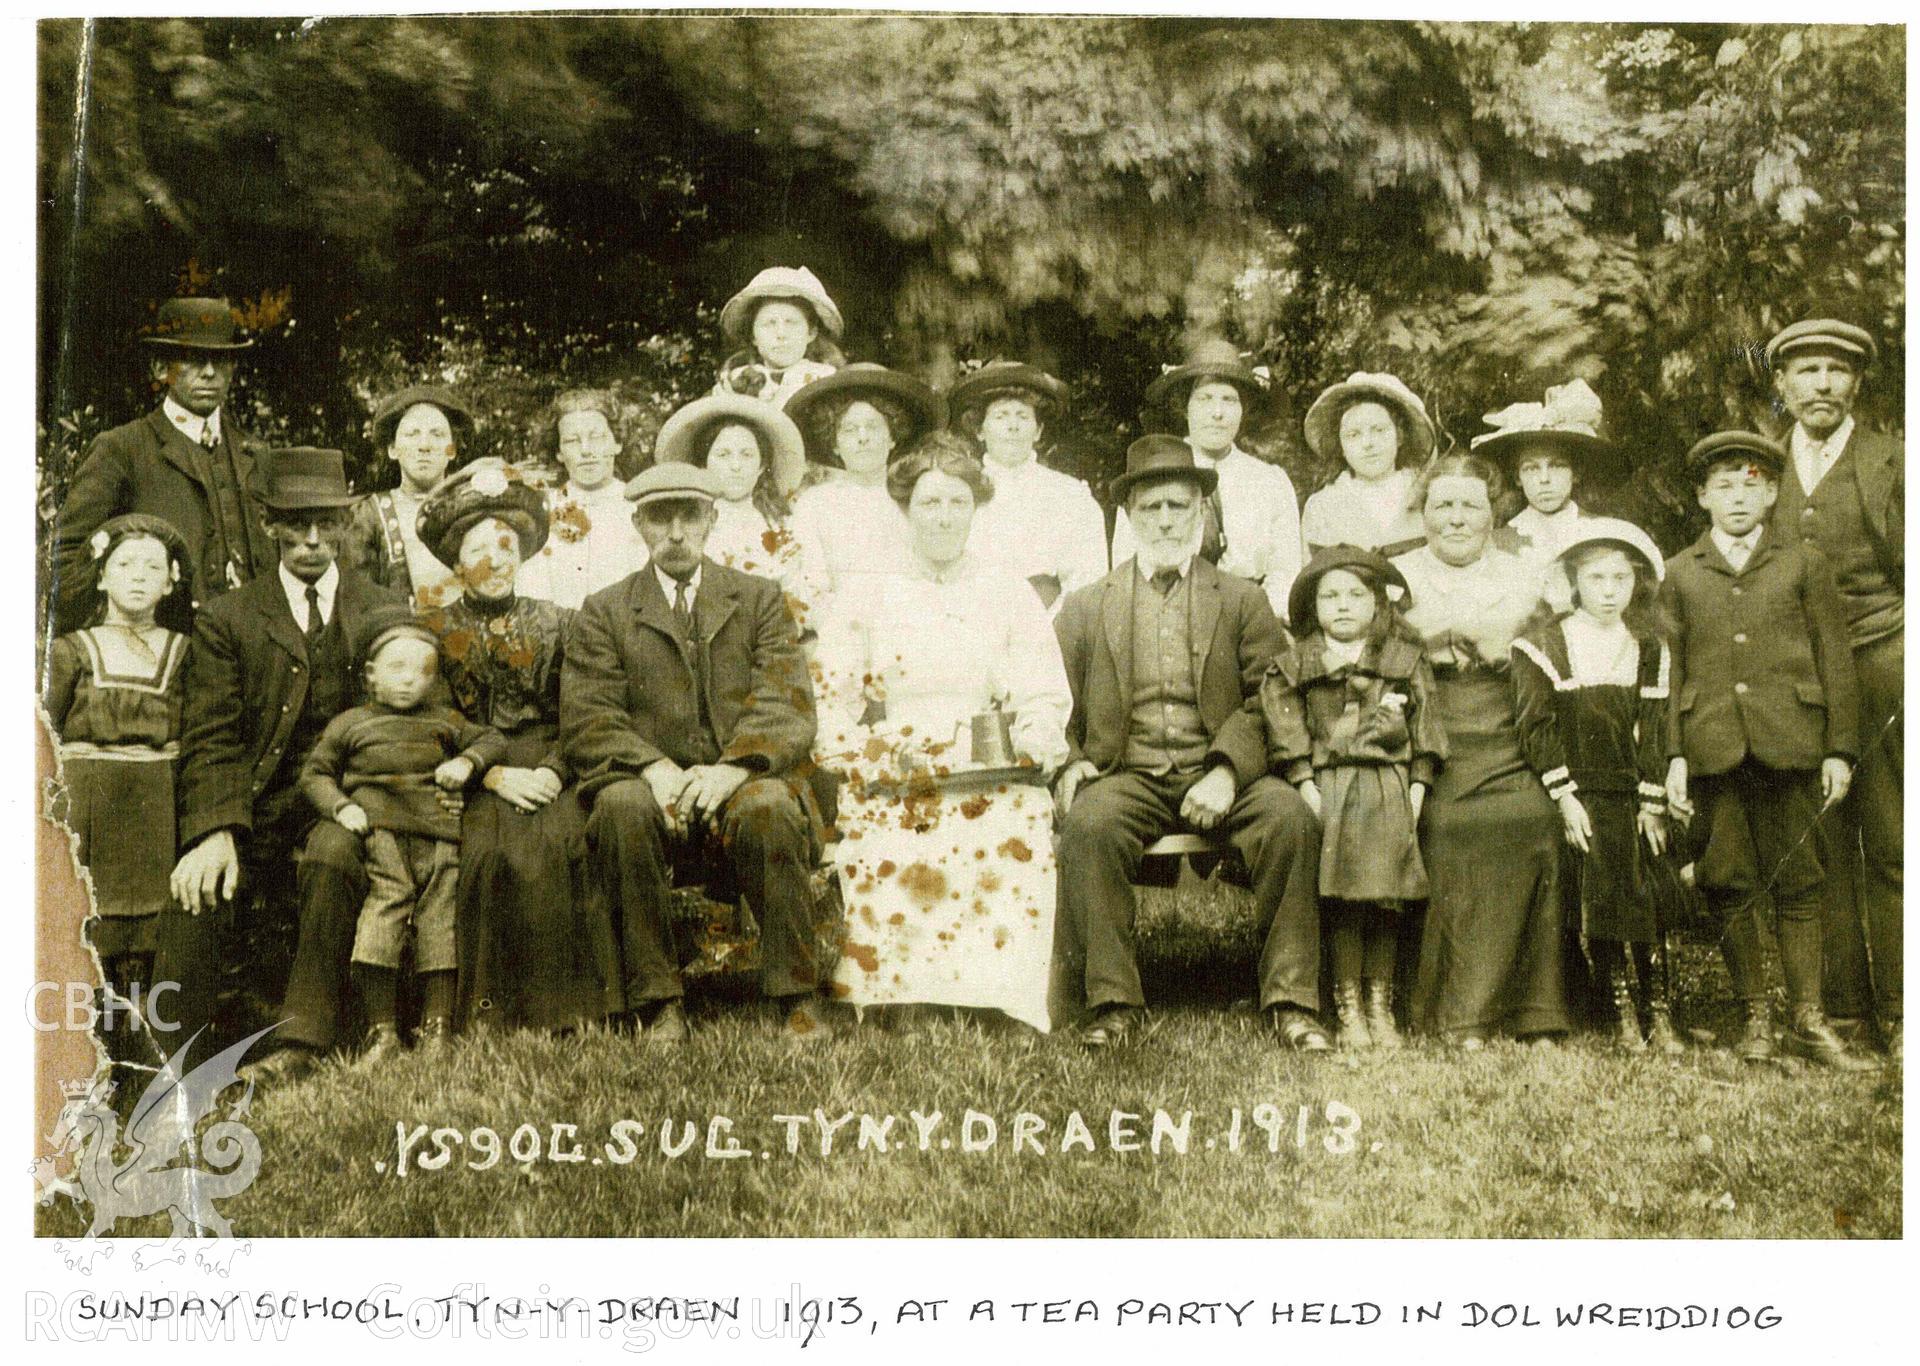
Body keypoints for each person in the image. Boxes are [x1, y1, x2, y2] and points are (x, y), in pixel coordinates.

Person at [1052, 436, 1328, 1051]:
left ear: (1202, 513)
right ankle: (1113, 1003)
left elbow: (1271, 697)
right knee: (1090, 827)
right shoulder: (1086, 606)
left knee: (1290, 822)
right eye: (1151, 509)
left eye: (1180, 506)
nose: (1167, 520)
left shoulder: (1242, 599)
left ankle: (1291, 999)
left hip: (1223, 770)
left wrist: (1228, 772)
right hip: (1130, 771)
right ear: (1128, 518)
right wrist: (1070, 764)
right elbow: (1054, 700)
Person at [563, 463, 829, 1043]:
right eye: (661, 518)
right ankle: (659, 1001)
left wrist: (733, 768)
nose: (676, 533)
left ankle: (795, 996)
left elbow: (785, 701)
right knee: (620, 810)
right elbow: (589, 715)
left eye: (690, 516)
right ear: (639, 525)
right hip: (649, 782)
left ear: (712, 520)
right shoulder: (605, 610)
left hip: (736, 777)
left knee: (772, 807)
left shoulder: (757, 598)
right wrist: (654, 768)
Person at [814, 434, 1071, 1032]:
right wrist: (863, 755)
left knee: (1016, 816)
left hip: (984, 756)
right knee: (890, 827)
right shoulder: (866, 592)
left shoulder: (1006, 590)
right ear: (905, 509)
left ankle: (999, 997)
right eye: (930, 503)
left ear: (975, 509)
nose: (944, 517)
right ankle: (903, 996)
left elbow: (1040, 690)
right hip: (897, 757)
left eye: (957, 503)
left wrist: (1036, 733)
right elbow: (831, 696)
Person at [170, 448, 403, 1085]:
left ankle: (302, 1042)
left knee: (331, 853)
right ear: (270, 525)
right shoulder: (229, 617)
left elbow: (399, 731)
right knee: (202, 883)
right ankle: (168, 1069)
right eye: (295, 524)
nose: (311, 541)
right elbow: (211, 736)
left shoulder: (384, 609)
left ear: (346, 525)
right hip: (257, 802)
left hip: (346, 802)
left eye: (327, 524)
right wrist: (215, 828)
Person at [1660, 432, 1874, 1071]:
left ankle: (1807, 1019)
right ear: (1702, 496)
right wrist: (1673, 755)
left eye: (1752, 482)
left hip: (1793, 743)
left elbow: (1835, 658)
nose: (1738, 496)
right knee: (1729, 878)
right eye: (1723, 485)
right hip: (1714, 746)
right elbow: (1668, 672)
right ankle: (1756, 1014)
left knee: (1802, 878)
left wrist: (1839, 748)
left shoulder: (1802, 562)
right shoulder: (1678, 572)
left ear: (1774, 492)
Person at [415, 461, 622, 1034]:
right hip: (477, 768)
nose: (495, 560)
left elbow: (583, 708)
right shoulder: (431, 628)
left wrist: (555, 771)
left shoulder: (562, 623)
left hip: (557, 757)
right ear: (457, 564)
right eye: (479, 549)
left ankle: (572, 1011)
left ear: (523, 555)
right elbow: (433, 718)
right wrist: (491, 775)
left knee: (563, 841)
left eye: (506, 546)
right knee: (485, 855)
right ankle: (492, 1014)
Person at [1393, 452, 1569, 1047]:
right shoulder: (1397, 577)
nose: (1457, 518)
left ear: (1494, 511)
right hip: (1430, 732)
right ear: (1423, 512)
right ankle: (1459, 1010)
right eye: (1443, 504)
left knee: (1537, 820)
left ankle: (1535, 1010)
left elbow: (1550, 658)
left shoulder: (1527, 573)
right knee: (1447, 826)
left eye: (1471, 504)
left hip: (1510, 726)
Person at [1763, 318, 1902, 1060]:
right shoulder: (1760, 466)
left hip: (1884, 661)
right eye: (1806, 370)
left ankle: (1906, 1012)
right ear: (1781, 384)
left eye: (1835, 371)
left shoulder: (1893, 461)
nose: (1821, 384)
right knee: (1822, 843)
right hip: (1802, 676)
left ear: (1856, 384)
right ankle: (1844, 1011)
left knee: (1890, 839)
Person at [42, 513, 216, 1074]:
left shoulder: (186, 653)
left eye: (152, 567)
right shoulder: (70, 650)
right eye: (124, 565)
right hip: (89, 807)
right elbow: (42, 732)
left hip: (153, 808)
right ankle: (81, 1055)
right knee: (88, 923)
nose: (138, 577)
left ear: (171, 582)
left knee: (147, 932)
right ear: (100, 578)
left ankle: (147, 1057)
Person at [299, 609, 506, 1060]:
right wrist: (343, 806)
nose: (409, 680)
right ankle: (383, 1032)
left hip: (438, 841)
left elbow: (491, 739)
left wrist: (466, 763)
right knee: (381, 919)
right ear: (371, 675)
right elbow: (315, 775)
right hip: (382, 840)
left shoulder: (445, 721)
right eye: (397, 668)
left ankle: (437, 1031)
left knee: (439, 924)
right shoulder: (351, 723)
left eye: (422, 671)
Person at [1260, 545, 1444, 1049]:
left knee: (1386, 893)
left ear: (1378, 604)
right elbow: (1286, 730)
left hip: (1389, 788)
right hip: (1331, 788)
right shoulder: (1295, 665)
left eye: (1355, 595)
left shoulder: (1403, 661)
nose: (1343, 605)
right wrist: (1305, 784)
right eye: (1330, 596)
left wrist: (1418, 788)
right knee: (1342, 897)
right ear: (1312, 608)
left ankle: (1380, 1003)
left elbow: (1427, 728)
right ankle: (1346, 1005)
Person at [1511, 520, 1680, 1055]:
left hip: (1634, 793)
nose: (1609, 592)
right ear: (1573, 581)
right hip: (1583, 794)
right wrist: (1565, 797)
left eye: (1620, 580)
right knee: (1604, 889)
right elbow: (1536, 727)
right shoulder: (1544, 646)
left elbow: (1654, 727)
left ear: (1637, 585)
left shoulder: (1649, 648)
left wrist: (1653, 803)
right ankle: (1622, 1008)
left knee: (1648, 887)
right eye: (1596, 579)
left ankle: (1661, 1008)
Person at [50, 297, 276, 635]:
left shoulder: (256, 454)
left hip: (251, 659)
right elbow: (67, 563)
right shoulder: (121, 450)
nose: (209, 372)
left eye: (221, 359)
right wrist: (121, 640)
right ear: (160, 369)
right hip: (159, 662)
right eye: (194, 359)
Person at [1114, 339, 1303, 620]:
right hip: (1164, 619)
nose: (1217, 413)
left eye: (1229, 400)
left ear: (1243, 409)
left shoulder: (1269, 482)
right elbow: (1125, 568)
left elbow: (1286, 573)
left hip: (1249, 622)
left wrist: (1257, 621)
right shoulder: (1150, 474)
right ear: (1184, 407)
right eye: (1204, 399)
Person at [654, 393, 829, 638]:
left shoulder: (782, 525)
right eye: (723, 455)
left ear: (761, 467)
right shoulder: (683, 529)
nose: (736, 466)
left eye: (746, 455)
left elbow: (807, 597)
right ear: (703, 464)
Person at [946, 361, 1107, 611]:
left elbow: (1088, 582)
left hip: (1053, 632)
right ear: (980, 430)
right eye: (1001, 416)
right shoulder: (956, 494)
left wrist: (1045, 628)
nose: (1013, 426)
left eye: (1023, 416)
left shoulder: (1069, 495)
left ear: (1038, 431)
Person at [786, 364, 944, 599]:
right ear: (835, 445)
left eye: (873, 427)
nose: (863, 438)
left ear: (892, 438)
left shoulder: (918, 495)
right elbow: (811, 585)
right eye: (850, 430)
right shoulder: (815, 504)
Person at [1470, 379, 1631, 611]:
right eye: (1531, 468)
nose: (1544, 479)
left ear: (1576, 473)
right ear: (1517, 478)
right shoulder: (1496, 543)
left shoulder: (1606, 533)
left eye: (1556, 466)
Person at [343, 385, 476, 607]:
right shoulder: (368, 515)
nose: (424, 446)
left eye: (437, 434)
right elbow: (357, 604)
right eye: (412, 434)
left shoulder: (475, 507)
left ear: (452, 449)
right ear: (393, 449)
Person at [517, 389, 645, 610]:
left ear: (617, 443)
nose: (586, 451)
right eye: (572, 441)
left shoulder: (640, 508)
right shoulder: (541, 512)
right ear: (559, 452)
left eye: (596, 437)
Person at [1298, 372, 1435, 561]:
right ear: (1341, 446)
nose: (1368, 443)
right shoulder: (1322, 506)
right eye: (1353, 435)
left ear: (1400, 435)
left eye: (1379, 430)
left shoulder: (1427, 495)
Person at [712, 266, 845, 409]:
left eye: (791, 323)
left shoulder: (828, 381)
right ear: (753, 336)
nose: (781, 334)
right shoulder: (733, 385)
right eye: (769, 323)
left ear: (811, 333)